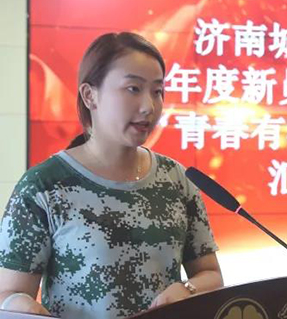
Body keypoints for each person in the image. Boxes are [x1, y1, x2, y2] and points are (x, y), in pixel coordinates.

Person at [0, 32, 223, 318]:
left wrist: (188, 289)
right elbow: (8, 293)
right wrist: (22, 307)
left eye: (157, 91)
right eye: (133, 89)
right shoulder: (44, 186)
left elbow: (210, 274)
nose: (149, 106)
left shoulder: (177, 179)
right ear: (89, 95)